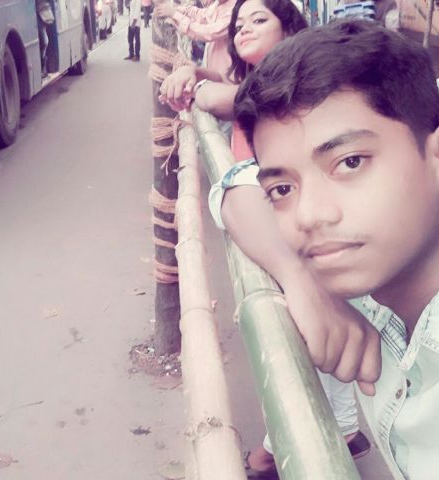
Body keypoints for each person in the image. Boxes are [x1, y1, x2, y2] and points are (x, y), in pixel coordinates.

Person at [211, 19, 439, 479]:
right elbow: (235, 186)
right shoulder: (371, 268)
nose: (310, 215)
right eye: (283, 189)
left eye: (350, 162)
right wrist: (301, 279)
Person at [160, 2, 370, 477]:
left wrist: (201, 88)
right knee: (320, 315)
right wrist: (195, 73)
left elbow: (227, 99)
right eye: (239, 25)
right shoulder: (256, 79)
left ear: (289, 27)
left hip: (292, 221)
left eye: (260, 20)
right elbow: (225, 85)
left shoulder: (291, 85)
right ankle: (338, 427)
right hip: (280, 217)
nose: (244, 30)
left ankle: (290, 444)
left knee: (310, 319)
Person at [154, 0, 236, 80]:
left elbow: (208, 32)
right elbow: (201, 14)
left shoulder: (235, 10)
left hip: (226, 74)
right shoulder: (218, 4)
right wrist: (176, 10)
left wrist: (175, 14)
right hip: (211, 66)